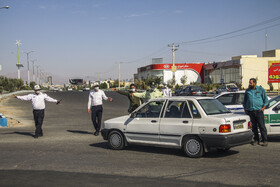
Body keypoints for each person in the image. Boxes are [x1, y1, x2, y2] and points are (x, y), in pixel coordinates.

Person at [243, 78, 269, 146]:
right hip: (251, 111)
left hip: (259, 111)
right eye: (249, 82)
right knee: (254, 126)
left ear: (255, 83)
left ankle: (264, 140)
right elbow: (245, 100)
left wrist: (263, 108)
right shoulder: (248, 91)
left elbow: (265, 100)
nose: (249, 84)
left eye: (251, 83)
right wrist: (245, 108)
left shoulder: (260, 89)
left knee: (261, 126)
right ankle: (256, 139)